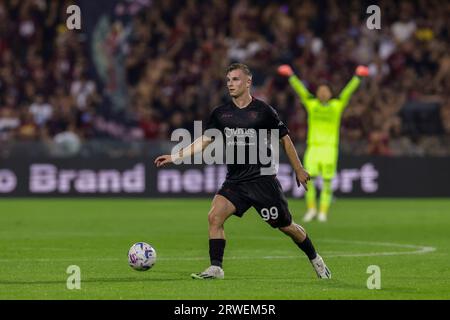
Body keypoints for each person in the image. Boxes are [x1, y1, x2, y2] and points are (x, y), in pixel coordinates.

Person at [155, 63, 331, 280]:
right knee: (214, 217)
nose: (231, 84)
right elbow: (204, 141)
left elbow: (284, 138)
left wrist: (299, 168)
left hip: (262, 181)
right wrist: (175, 156)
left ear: (248, 82)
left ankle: (315, 259)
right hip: (236, 181)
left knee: (286, 227)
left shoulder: (264, 111)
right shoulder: (221, 114)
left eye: (236, 79)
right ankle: (216, 267)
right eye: (228, 80)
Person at [278, 64, 369, 222]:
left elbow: (348, 91)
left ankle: (323, 212)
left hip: (329, 149)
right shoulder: (312, 104)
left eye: (326, 90)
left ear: (330, 93)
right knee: (308, 180)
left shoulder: (336, 105)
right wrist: (291, 75)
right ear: (317, 93)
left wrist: (357, 77)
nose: (323, 93)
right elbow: (300, 90)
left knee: (327, 182)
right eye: (320, 90)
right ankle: (312, 209)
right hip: (313, 148)